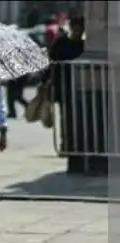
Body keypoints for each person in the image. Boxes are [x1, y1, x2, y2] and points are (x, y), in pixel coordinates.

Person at [42, 15, 85, 162]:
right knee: (66, 116)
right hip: (64, 86)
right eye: (75, 28)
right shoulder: (61, 43)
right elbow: (51, 63)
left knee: (76, 116)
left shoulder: (84, 44)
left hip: (80, 86)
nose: (78, 32)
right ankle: (66, 144)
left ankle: (74, 144)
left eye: (80, 29)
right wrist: (45, 82)